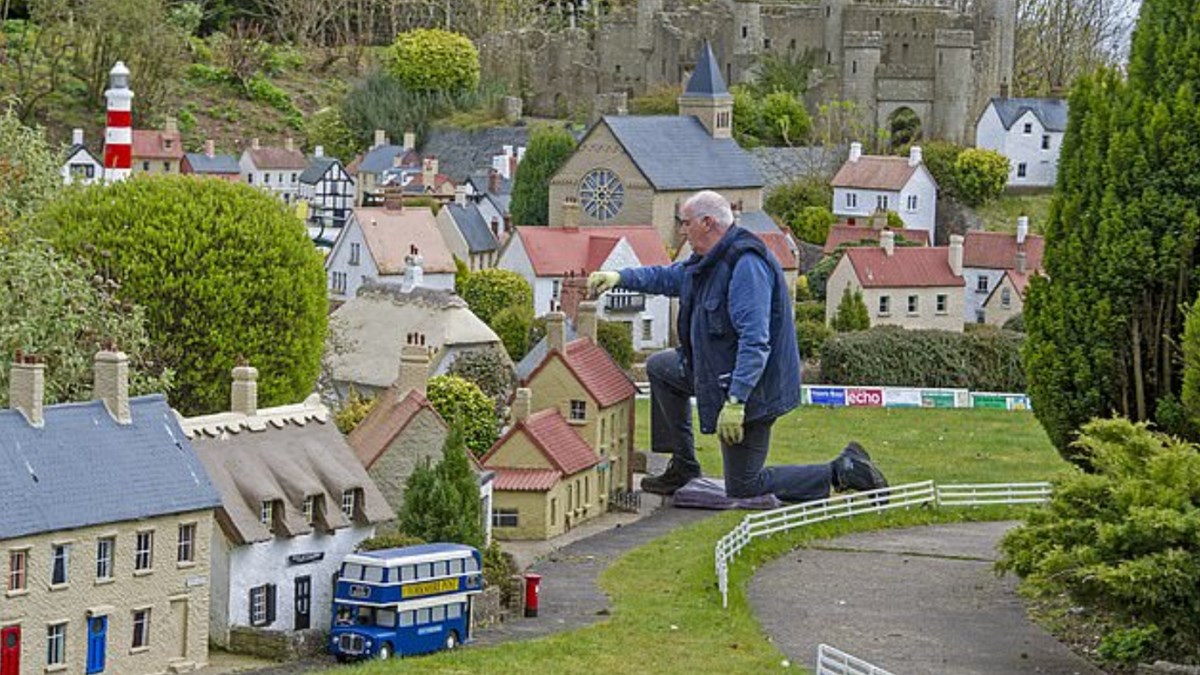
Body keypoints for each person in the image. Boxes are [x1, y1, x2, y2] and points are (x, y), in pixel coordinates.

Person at [587, 190, 887, 502]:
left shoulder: (746, 268)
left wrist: (736, 402)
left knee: (744, 485)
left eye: (684, 222)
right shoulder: (708, 261)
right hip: (717, 375)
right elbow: (669, 277)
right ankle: (684, 467)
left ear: (707, 223)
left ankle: (843, 470)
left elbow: (755, 342)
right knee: (661, 367)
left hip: (753, 390)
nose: (681, 229)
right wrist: (619, 277)